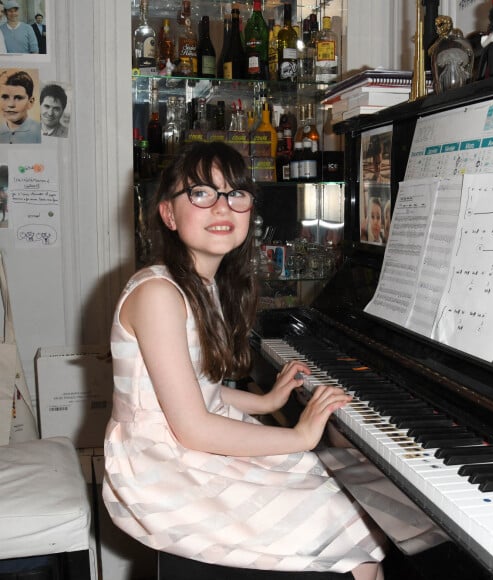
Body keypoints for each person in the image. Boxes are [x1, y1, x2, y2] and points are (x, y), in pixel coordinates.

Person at [103, 142, 387, 579]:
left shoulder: (202, 285)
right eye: (201, 193)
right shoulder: (158, 294)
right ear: (169, 215)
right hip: (163, 464)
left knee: (352, 495)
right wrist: (299, 435)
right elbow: (191, 425)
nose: (222, 206)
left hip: (185, 443)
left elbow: (199, 394)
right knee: (347, 520)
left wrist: (268, 401)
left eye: (236, 193)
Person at [0, 70, 41, 144]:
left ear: (30, 102)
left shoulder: (39, 132)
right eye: (5, 97)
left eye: (18, 98)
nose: (11, 104)